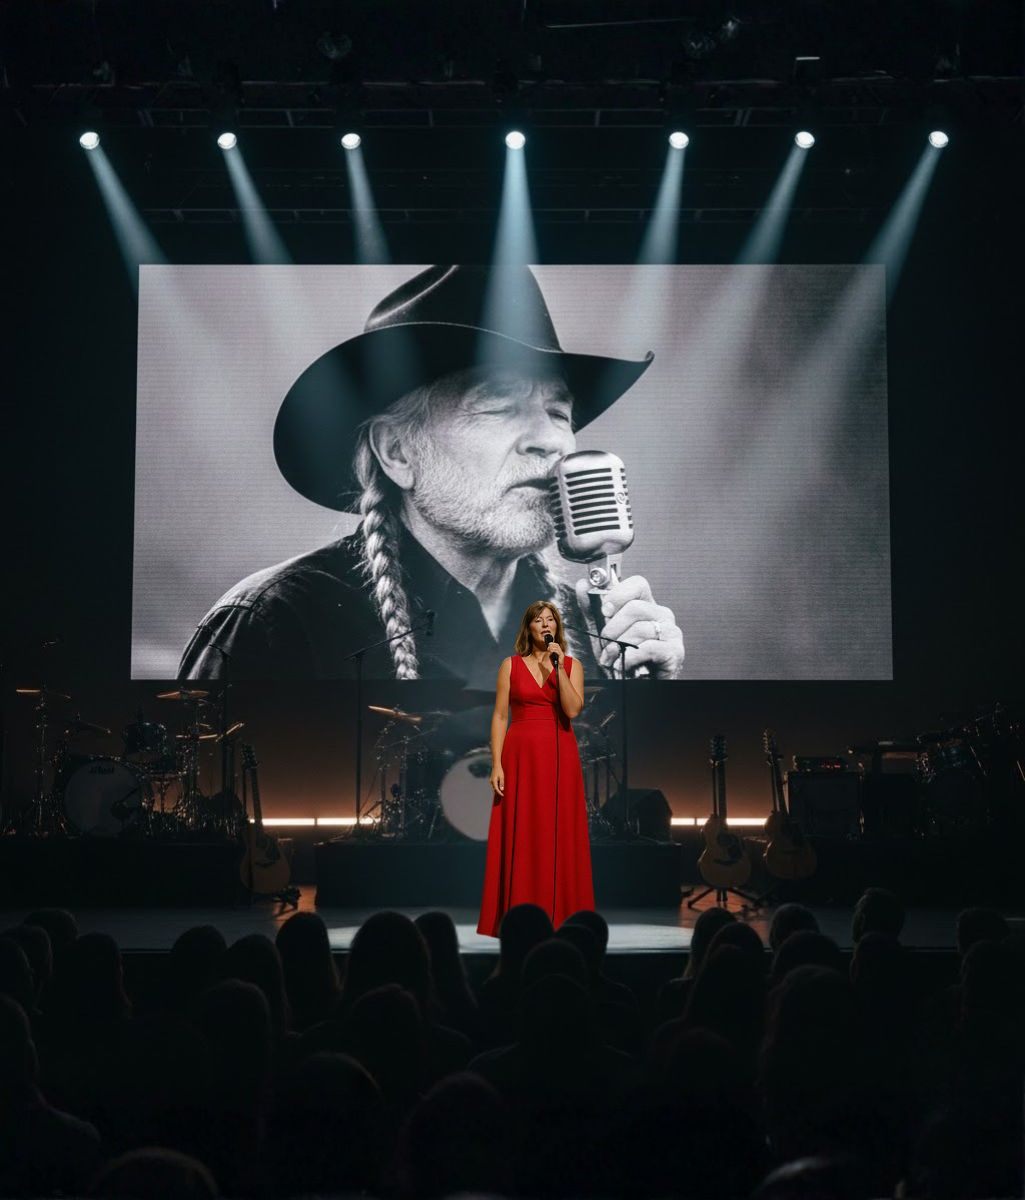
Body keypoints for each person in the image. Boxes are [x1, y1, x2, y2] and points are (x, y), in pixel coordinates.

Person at [179, 264, 684, 687]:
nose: (551, 441)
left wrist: (650, 702)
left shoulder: (595, 631)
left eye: (559, 412)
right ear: (397, 452)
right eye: (499, 406)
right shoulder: (279, 624)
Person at [477, 601, 594, 935]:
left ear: (557, 628)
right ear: (528, 628)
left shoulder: (571, 665)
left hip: (559, 755)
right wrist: (496, 763)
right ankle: (517, 914)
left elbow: (572, 710)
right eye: (539, 621)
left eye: (551, 620)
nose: (546, 625)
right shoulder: (510, 666)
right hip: (520, 755)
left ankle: (562, 915)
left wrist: (557, 670)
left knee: (558, 830)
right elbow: (500, 716)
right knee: (522, 829)